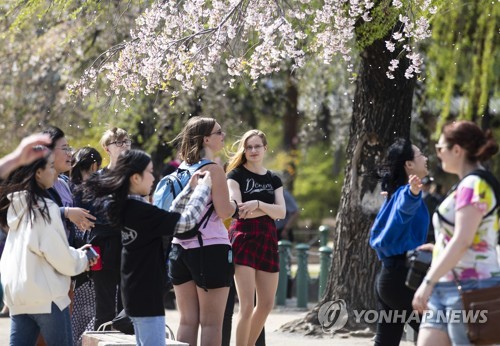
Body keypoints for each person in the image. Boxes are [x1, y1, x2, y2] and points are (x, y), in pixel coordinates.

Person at [82, 149, 212, 345]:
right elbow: (185, 223)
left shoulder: (128, 208)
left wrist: (190, 189)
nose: (154, 177)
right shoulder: (140, 211)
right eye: (150, 172)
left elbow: (167, 218)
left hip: (135, 294)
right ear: (135, 178)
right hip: (147, 296)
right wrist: (204, 189)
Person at [412, 121, 500, 346]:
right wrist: (438, 249)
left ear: (457, 150)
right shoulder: (468, 185)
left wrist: (428, 282)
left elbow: (463, 240)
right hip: (450, 285)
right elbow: (464, 238)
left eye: (440, 148)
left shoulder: (473, 185)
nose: (438, 154)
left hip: (470, 288)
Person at [0, 152, 97, 345]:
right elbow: (61, 258)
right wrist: (84, 258)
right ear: (38, 173)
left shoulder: (16, 207)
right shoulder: (45, 208)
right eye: (51, 167)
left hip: (19, 295)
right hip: (47, 297)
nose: (55, 173)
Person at [168, 117, 235, 346]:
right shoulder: (214, 170)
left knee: (187, 321)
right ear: (206, 138)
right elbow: (224, 211)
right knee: (211, 324)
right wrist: (237, 205)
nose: (223, 135)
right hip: (210, 248)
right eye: (219, 132)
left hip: (179, 248)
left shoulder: (181, 170)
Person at [226, 129, 286, 346]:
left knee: (267, 304)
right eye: (249, 146)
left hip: (267, 239)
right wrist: (269, 209)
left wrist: (259, 204)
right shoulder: (235, 175)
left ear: (265, 148)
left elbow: (282, 212)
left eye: (257, 146)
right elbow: (240, 210)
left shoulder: (274, 178)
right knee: (246, 306)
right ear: (244, 149)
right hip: (244, 237)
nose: (253, 150)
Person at [369, 138, 429, 346]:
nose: (426, 158)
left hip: (388, 280)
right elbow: (404, 211)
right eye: (421, 155)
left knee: (386, 343)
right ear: (409, 164)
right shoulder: (406, 194)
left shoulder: (395, 194)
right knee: (438, 334)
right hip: (402, 279)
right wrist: (413, 194)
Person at [89, 127, 132, 330]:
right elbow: (89, 211)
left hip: (131, 244)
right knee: (104, 307)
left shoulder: (138, 174)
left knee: (129, 307)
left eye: (126, 141)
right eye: (118, 142)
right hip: (104, 245)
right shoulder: (97, 178)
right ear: (107, 148)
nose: (124, 145)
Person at [70, 147, 103, 345]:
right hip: (94, 257)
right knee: (95, 317)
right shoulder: (95, 190)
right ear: (94, 166)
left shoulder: (66, 187)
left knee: (77, 318)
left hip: (73, 259)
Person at [421, 176, 441, 243]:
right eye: (425, 184)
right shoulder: (415, 198)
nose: (427, 186)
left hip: (430, 230)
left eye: (428, 184)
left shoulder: (434, 199)